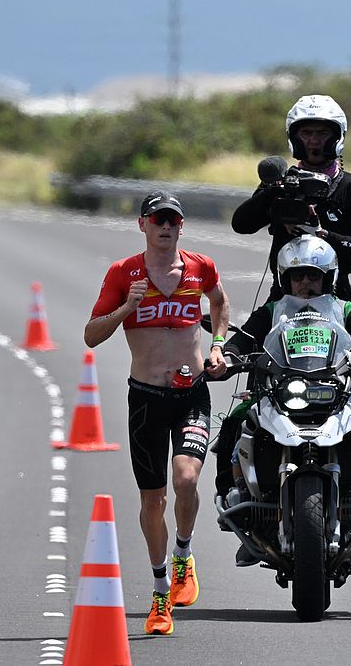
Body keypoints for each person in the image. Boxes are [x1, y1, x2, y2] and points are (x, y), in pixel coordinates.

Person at [208, 234, 351, 571]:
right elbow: (241, 340)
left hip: (338, 391)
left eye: (313, 275)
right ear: (285, 278)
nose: (306, 282)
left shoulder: (346, 309)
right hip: (280, 391)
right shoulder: (272, 311)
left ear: (327, 278)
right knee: (233, 425)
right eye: (298, 275)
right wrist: (228, 356)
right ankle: (244, 515)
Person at [84, 190, 230, 636]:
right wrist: (128, 306)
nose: (165, 227)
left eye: (173, 220)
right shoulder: (122, 273)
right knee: (153, 499)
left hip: (190, 394)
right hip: (146, 398)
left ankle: (184, 556)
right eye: (157, 220)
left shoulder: (199, 267)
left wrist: (219, 346)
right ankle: (160, 592)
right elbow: (91, 335)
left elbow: (220, 303)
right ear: (142, 225)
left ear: (180, 227)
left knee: (186, 479)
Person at [231, 94, 351, 303]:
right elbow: (241, 224)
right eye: (306, 133)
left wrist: (322, 234)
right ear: (294, 137)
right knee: (244, 337)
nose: (314, 141)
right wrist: (275, 191)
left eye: (323, 133)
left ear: (337, 137)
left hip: (339, 299)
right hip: (283, 298)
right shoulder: (281, 184)